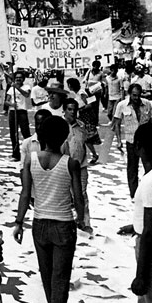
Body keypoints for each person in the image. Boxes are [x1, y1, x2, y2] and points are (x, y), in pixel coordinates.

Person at [14, 116, 84, 303]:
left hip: (39, 224)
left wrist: (18, 222)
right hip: (63, 224)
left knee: (46, 275)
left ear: (41, 136)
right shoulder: (70, 163)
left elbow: (25, 194)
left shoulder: (31, 160)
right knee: (61, 279)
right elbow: (78, 196)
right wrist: (81, 218)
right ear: (65, 137)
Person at [130, 123, 152, 303]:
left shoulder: (150, 181)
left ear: (139, 147)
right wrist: (135, 225)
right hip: (146, 241)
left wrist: (140, 275)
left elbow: (149, 232)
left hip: (150, 253)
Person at [113, 83, 152, 198]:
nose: (136, 98)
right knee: (132, 168)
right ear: (129, 94)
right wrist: (118, 141)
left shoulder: (146, 104)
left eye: (138, 95)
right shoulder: (122, 105)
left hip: (146, 142)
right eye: (134, 95)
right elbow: (117, 123)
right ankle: (134, 194)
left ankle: (148, 192)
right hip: (131, 141)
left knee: (149, 167)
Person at [61, 99, 93, 232]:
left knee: (82, 194)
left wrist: (94, 153)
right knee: (66, 195)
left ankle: (85, 223)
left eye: (75, 109)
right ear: (64, 110)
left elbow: (87, 142)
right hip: (64, 166)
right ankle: (66, 223)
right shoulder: (60, 125)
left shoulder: (81, 126)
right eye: (69, 109)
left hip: (81, 165)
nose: (73, 112)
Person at [66, 78, 100, 164]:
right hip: (81, 117)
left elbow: (89, 105)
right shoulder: (77, 93)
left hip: (86, 117)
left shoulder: (82, 93)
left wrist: (79, 110)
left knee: (86, 138)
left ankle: (94, 155)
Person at [6, 71, 32, 161]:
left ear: (23, 79)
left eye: (20, 77)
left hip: (22, 112)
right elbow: (6, 101)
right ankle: (15, 154)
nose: (18, 79)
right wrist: (11, 104)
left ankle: (29, 153)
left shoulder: (26, 87)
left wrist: (17, 88)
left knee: (26, 133)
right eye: (16, 77)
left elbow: (27, 95)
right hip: (13, 112)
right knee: (13, 133)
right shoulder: (11, 88)